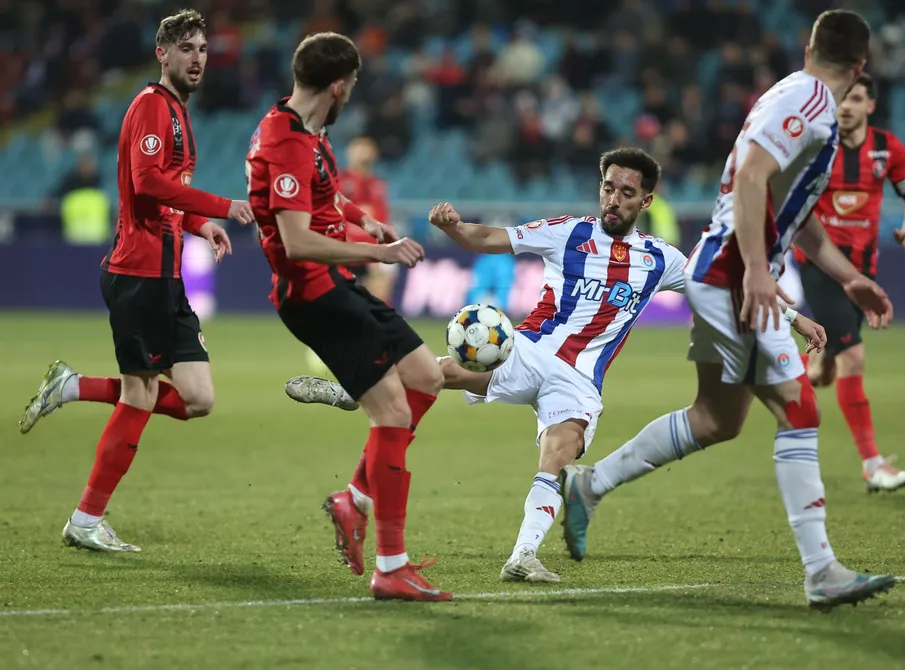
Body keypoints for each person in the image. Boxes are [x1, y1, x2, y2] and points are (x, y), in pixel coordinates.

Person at [284, 147, 828, 582]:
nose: (614, 199)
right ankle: (355, 389)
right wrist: (453, 227)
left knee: (559, 456)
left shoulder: (661, 259)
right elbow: (490, 238)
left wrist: (796, 318)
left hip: (579, 381)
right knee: (437, 373)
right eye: (608, 188)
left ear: (646, 200)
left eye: (627, 193)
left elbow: (730, 286)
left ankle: (522, 556)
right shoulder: (568, 231)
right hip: (526, 351)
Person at [559, 10, 898, 609]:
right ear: (861, 66)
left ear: (809, 48)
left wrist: (850, 278)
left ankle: (589, 484)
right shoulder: (811, 102)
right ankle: (822, 570)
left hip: (725, 270)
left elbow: (792, 210)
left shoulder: (793, 95)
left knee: (717, 419)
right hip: (731, 273)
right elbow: (751, 180)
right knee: (799, 408)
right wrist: (759, 272)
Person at [18, 10, 254, 553]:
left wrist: (200, 225)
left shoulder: (177, 111)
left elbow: (165, 197)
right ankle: (85, 519)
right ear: (162, 54)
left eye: (203, 49)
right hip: (138, 273)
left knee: (198, 398)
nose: (197, 58)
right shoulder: (151, 105)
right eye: (186, 48)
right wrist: (222, 205)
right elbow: (146, 183)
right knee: (141, 394)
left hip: (165, 277)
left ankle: (73, 387)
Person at [246, 32, 450, 602]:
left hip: (335, 284)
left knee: (426, 377)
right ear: (338, 86)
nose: (352, 94)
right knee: (392, 411)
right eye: (353, 85)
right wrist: (378, 253)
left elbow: (326, 198)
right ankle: (392, 566)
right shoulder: (285, 141)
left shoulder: (309, 131)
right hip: (312, 293)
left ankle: (355, 500)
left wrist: (366, 221)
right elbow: (296, 241)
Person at [794, 73, 905, 492]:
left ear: (870, 105)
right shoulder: (818, 146)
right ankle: (873, 465)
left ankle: (779, 367)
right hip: (820, 267)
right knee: (853, 356)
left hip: (863, 273)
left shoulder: (888, 149)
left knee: (824, 371)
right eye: (842, 98)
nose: (846, 106)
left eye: (856, 99)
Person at [342, 136, 398, 304]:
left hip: (372, 250)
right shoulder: (338, 180)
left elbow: (382, 218)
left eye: (367, 149)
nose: (364, 154)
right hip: (344, 248)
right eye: (359, 149)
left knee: (380, 292)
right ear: (349, 153)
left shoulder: (378, 185)